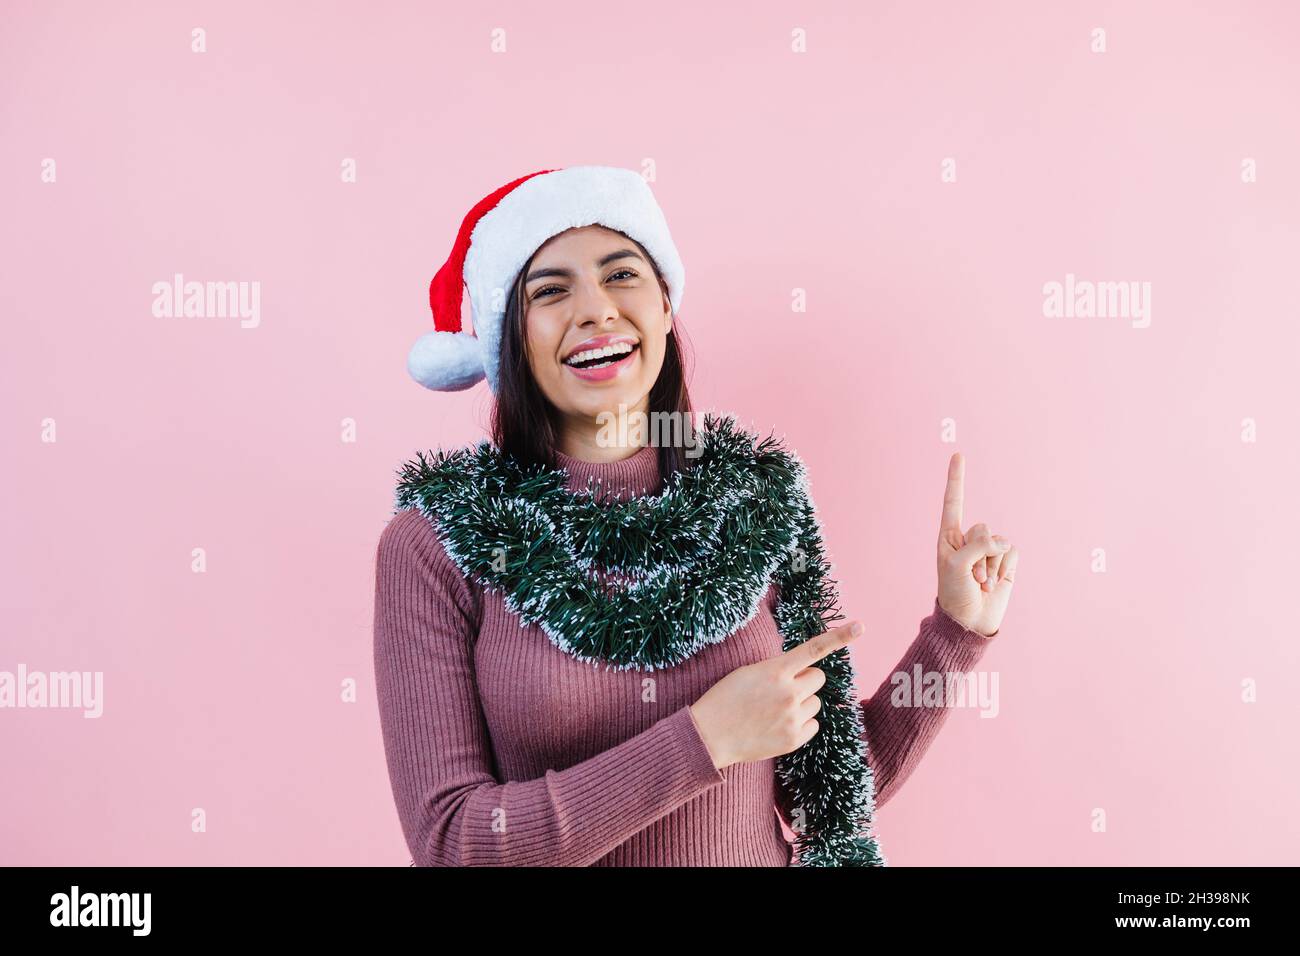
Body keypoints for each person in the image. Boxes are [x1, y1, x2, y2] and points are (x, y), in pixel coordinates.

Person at [373, 165, 1020, 867]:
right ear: (509, 335)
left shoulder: (754, 503)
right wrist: (704, 741)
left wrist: (957, 633)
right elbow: (453, 842)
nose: (596, 310)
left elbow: (829, 792)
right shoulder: (438, 545)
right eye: (551, 290)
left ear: (662, 305)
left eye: (622, 275)